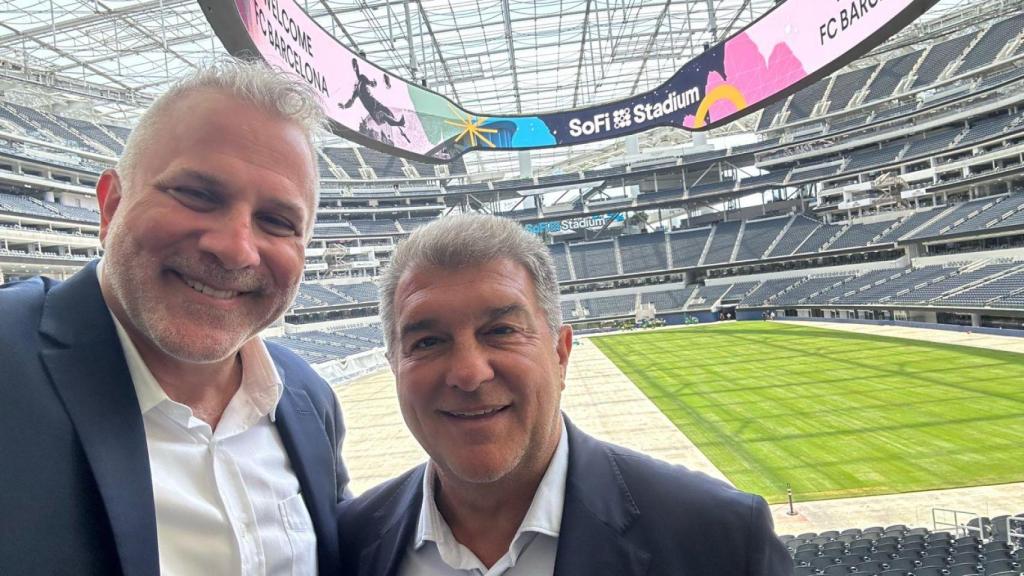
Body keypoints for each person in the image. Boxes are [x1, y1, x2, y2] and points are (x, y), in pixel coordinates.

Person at [0, 59, 349, 575]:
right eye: (197, 195)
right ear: (111, 206)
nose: (236, 249)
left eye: (277, 221)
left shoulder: (308, 397)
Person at [337, 214, 791, 576]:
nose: (469, 374)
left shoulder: (720, 539)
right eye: (428, 342)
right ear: (394, 366)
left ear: (560, 353)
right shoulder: (350, 544)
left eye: (501, 331)